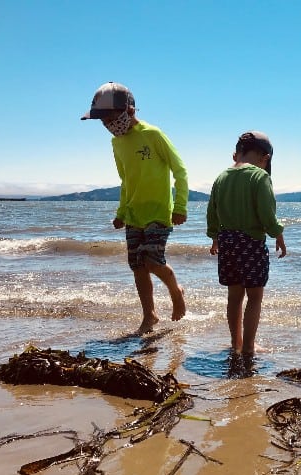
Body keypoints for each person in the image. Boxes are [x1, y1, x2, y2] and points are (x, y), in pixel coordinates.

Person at [81, 81, 188, 335]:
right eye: (102, 122)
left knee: (152, 261)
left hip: (159, 211)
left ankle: (176, 290)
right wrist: (121, 213)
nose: (107, 125)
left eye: (109, 118)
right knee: (137, 266)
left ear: (129, 111)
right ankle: (149, 316)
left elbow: (180, 170)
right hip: (133, 213)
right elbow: (125, 180)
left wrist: (180, 205)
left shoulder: (153, 135)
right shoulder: (117, 143)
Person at [206, 131, 286, 361]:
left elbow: (212, 211)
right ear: (265, 158)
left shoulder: (221, 177)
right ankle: (249, 347)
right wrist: (277, 233)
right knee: (254, 296)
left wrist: (214, 237)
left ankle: (236, 343)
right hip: (251, 242)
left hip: (227, 242)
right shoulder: (260, 177)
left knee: (234, 295)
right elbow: (267, 213)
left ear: (236, 154)